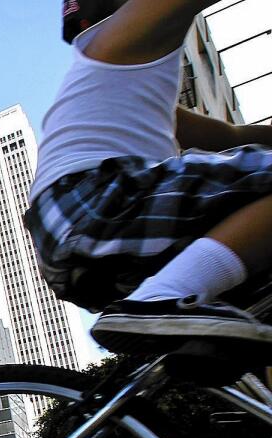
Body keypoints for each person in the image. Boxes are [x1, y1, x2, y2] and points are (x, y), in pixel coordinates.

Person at [26, 0, 272, 355]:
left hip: (75, 234)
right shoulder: (115, 41)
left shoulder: (124, 85)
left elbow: (231, 138)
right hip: (96, 200)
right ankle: (159, 299)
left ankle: (174, 310)